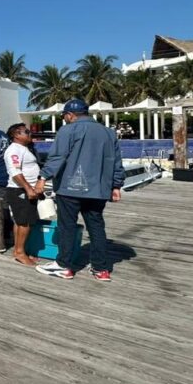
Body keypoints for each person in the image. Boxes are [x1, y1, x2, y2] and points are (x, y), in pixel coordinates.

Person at [35, 98, 124, 281]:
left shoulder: (68, 130)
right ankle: (101, 269)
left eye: (65, 116)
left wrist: (42, 177)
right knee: (96, 228)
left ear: (70, 115)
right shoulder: (108, 133)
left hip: (70, 189)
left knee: (66, 226)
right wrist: (116, 185)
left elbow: (57, 157)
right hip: (98, 189)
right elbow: (116, 161)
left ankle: (64, 266)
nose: (65, 119)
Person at [3, 123, 41, 267]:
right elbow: (15, 172)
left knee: (20, 221)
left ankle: (20, 250)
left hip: (25, 190)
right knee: (24, 222)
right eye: (26, 132)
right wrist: (28, 189)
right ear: (16, 135)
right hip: (20, 190)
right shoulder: (14, 150)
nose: (30, 133)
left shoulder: (23, 148)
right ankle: (19, 252)